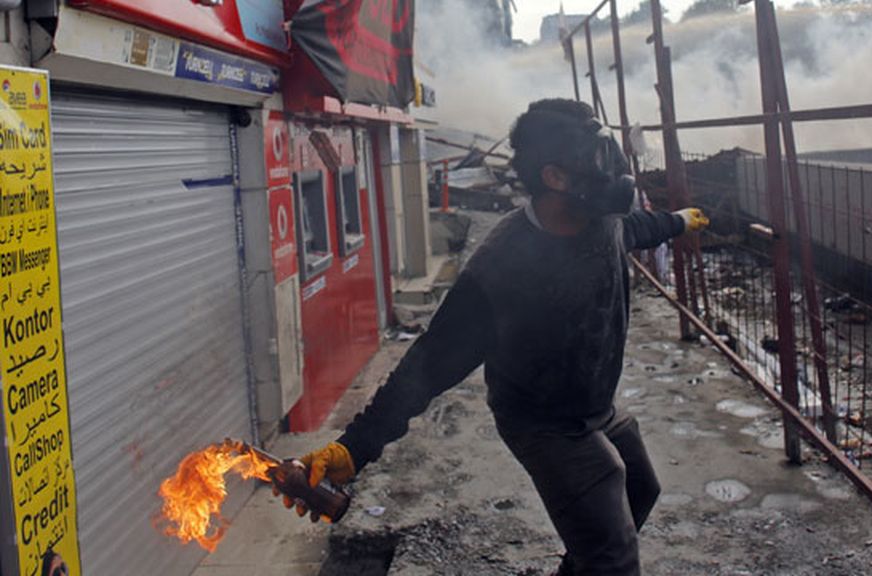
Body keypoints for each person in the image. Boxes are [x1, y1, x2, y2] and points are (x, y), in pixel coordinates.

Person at [276, 98, 709, 575]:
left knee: (639, 491)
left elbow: (632, 229)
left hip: (593, 405)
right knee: (613, 555)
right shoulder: (504, 265)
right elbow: (430, 362)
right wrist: (354, 448)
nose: (614, 170)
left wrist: (677, 222)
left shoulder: (599, 219)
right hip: (543, 422)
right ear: (555, 177)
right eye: (598, 158)